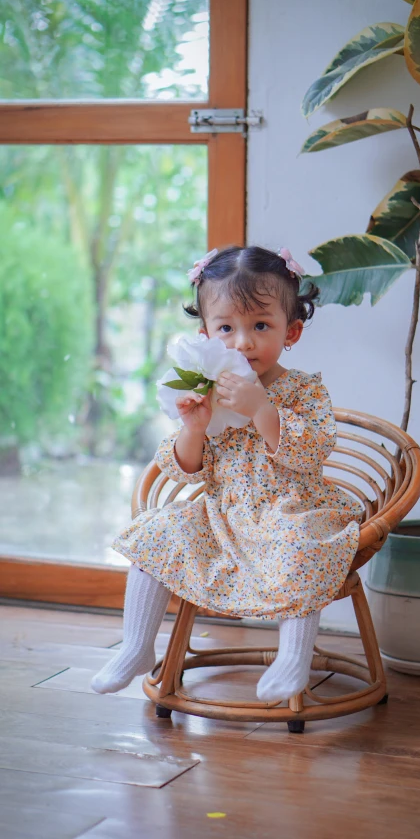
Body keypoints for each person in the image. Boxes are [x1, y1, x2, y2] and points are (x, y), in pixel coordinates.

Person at [91, 245, 362, 702]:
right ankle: (137, 645)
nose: (243, 342)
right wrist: (193, 429)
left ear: (291, 330)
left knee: (303, 542)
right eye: (226, 328)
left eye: (260, 325)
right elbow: (183, 471)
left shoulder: (302, 389)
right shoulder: (209, 389)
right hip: (224, 515)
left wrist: (261, 409)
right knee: (160, 528)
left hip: (290, 510)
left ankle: (293, 655)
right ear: (206, 334)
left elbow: (312, 452)